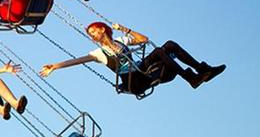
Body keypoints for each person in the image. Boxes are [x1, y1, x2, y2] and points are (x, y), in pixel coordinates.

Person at [40, 22, 226, 93]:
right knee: (162, 52)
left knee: (169, 45)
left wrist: (124, 29)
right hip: (133, 80)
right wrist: (55, 66)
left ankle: (201, 70)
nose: (93, 35)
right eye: (91, 34)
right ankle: (191, 78)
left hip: (142, 69)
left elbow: (144, 39)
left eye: (94, 31)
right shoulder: (98, 54)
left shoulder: (121, 41)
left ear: (103, 29)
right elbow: (77, 60)